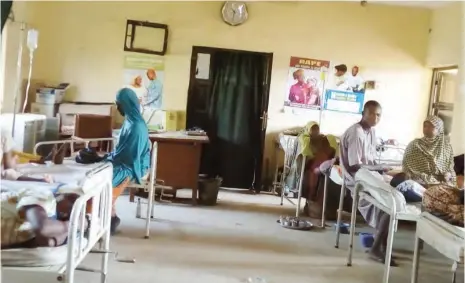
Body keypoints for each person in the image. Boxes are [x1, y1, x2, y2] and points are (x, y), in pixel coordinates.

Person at [340, 100, 395, 265]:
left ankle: (383, 248)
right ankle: (376, 248)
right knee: (389, 204)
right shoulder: (356, 132)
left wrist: (380, 170)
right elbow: (354, 165)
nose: (376, 118)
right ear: (364, 113)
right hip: (357, 178)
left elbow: (369, 159)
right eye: (372, 114)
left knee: (395, 193)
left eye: (379, 115)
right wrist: (379, 168)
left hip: (368, 175)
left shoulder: (370, 132)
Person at [105, 88, 150, 234]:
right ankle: (109, 215)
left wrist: (108, 158)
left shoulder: (137, 127)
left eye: (119, 104)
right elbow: (121, 151)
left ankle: (107, 213)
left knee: (105, 176)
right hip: (123, 159)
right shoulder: (129, 121)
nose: (117, 108)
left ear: (128, 104)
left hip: (133, 164)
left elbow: (130, 157)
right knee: (97, 168)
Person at [1, 186, 87, 249]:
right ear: (70, 196)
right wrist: (75, 224)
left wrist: (70, 228)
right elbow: (42, 227)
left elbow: (47, 242)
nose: (67, 214)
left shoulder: (54, 220)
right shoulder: (43, 196)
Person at [403, 116, 456, 187]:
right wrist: (425, 179)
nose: (426, 128)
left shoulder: (447, 147)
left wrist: (449, 175)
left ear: (439, 129)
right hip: (419, 182)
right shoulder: (415, 144)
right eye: (425, 126)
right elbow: (407, 166)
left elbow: (450, 167)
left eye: (431, 126)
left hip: (443, 183)